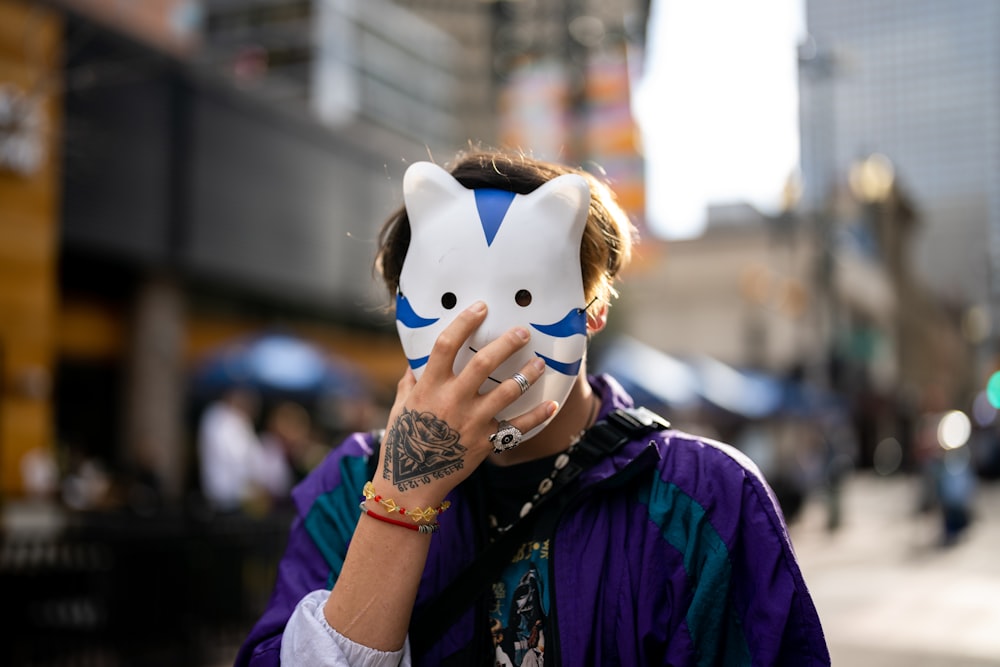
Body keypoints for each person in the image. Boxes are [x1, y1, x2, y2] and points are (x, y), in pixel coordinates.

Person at [236, 150, 830, 665]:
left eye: (523, 297)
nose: (482, 334)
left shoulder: (704, 500)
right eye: (446, 299)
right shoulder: (350, 487)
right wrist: (402, 495)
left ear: (593, 308)